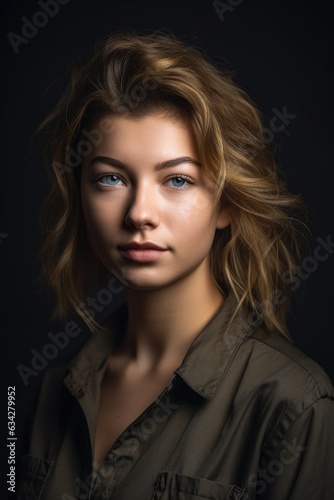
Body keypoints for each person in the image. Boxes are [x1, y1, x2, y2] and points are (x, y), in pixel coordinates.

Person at [17, 31, 334, 499]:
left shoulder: (294, 404)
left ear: (226, 202)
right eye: (110, 178)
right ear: (79, 196)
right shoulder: (47, 391)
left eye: (178, 180)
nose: (139, 213)